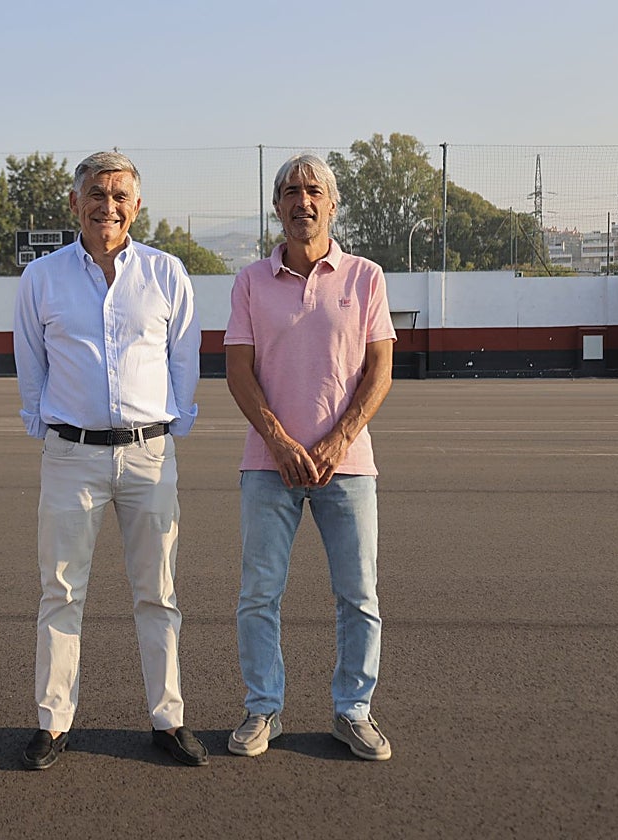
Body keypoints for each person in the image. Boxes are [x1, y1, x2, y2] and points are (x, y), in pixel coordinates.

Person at [13, 151, 207, 769]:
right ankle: (52, 721)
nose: (108, 205)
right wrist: (48, 427)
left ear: (137, 205)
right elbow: (30, 365)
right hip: (71, 454)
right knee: (60, 591)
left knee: (159, 592)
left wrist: (169, 425)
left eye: (120, 195)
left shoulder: (167, 273)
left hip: (150, 456)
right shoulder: (41, 278)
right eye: (96, 194)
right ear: (75, 203)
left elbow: (183, 361)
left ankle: (168, 719)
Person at [223, 153, 396, 761]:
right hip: (268, 467)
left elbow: (380, 369)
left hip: (347, 468)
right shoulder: (250, 282)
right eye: (291, 191)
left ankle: (353, 711)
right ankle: (261, 709)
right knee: (259, 596)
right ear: (277, 206)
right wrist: (278, 439)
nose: (303, 201)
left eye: (314, 190)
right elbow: (238, 369)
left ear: (332, 202)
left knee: (359, 595)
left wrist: (338, 438)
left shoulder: (365, 277)